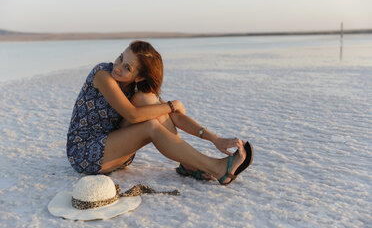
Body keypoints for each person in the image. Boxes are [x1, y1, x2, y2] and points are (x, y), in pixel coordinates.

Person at [66, 40, 253, 185]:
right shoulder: (103, 74)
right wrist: (172, 104)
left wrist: (215, 139)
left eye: (127, 68)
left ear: (139, 77)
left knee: (147, 102)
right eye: (121, 58)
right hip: (85, 154)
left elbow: (174, 117)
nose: (118, 67)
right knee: (150, 125)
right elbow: (132, 115)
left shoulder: (136, 90)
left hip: (114, 149)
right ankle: (217, 168)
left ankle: (189, 165)